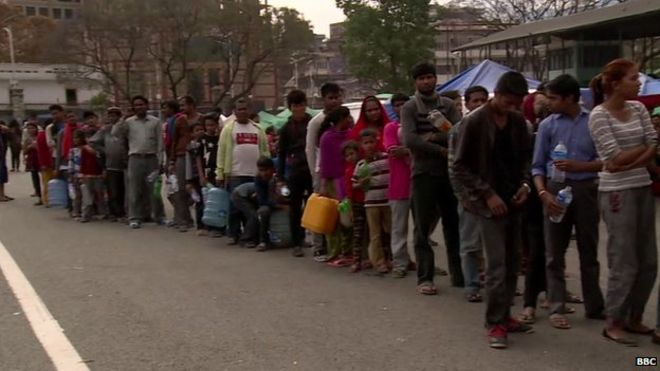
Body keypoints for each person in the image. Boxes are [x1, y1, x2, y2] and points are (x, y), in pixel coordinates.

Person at [452, 71, 534, 349]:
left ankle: (506, 314)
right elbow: (459, 165)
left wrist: (525, 185)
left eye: (517, 103)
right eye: (509, 102)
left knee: (513, 263)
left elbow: (526, 159)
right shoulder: (474, 122)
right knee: (497, 266)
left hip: (514, 200)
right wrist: (487, 194)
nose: (513, 108)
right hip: (489, 204)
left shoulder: (519, 122)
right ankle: (495, 322)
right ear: (496, 95)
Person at [588, 59, 657, 346]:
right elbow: (613, 159)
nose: (638, 82)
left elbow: (653, 145)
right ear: (615, 83)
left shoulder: (639, 108)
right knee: (624, 260)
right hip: (617, 193)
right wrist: (640, 152)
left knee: (649, 261)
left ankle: (634, 316)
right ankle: (614, 320)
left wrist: (631, 158)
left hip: (642, 187)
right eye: (632, 78)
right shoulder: (599, 115)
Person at [531, 74, 605, 330]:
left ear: (570, 98)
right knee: (554, 251)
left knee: (589, 249)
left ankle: (595, 306)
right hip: (555, 189)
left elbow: (606, 161)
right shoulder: (548, 126)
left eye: (553, 98)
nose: (548, 102)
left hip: (586, 189)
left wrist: (580, 166)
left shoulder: (594, 122)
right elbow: (537, 166)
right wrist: (543, 194)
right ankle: (556, 306)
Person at [401, 62, 463, 295]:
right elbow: (411, 140)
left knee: (453, 226)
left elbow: (459, 133)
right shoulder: (409, 107)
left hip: (449, 175)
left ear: (436, 79)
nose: (426, 81)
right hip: (423, 174)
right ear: (415, 82)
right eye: (422, 78)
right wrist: (442, 147)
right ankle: (425, 278)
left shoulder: (447, 104)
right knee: (422, 229)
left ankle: (459, 275)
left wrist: (433, 136)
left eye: (430, 77)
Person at [448, 86, 489, 302]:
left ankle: (496, 284)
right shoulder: (458, 130)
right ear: (467, 103)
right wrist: (462, 196)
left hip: (493, 196)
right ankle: (472, 285)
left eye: (484, 100)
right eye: (475, 101)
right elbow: (454, 167)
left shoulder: (496, 128)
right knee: (470, 244)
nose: (480, 104)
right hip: (469, 197)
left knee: (496, 246)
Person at [216, 98, 270, 245]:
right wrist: (220, 173)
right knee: (235, 207)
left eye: (245, 108)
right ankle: (233, 234)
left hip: (255, 175)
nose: (242, 111)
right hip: (235, 173)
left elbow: (265, 151)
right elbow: (221, 152)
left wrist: (267, 172)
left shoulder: (258, 129)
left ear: (250, 110)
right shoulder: (228, 129)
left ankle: (250, 236)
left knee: (252, 206)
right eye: (239, 109)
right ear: (234, 112)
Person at [112, 95, 164, 229]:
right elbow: (115, 133)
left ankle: (159, 216)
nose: (139, 107)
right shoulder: (128, 122)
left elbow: (160, 142)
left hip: (151, 158)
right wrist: (122, 118)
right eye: (136, 105)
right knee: (134, 189)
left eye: (142, 104)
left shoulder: (155, 121)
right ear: (133, 107)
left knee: (155, 190)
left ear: (147, 106)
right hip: (135, 158)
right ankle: (135, 217)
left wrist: (161, 161)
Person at [305, 83, 343, 261]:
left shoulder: (345, 119)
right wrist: (315, 175)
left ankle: (339, 247)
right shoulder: (316, 122)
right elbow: (310, 150)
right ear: (323, 99)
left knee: (340, 210)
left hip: (341, 171)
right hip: (322, 172)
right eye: (331, 98)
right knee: (321, 209)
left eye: (337, 97)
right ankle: (319, 246)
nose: (334, 101)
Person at [278, 90, 313, 257]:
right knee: (294, 207)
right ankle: (297, 242)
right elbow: (281, 153)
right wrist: (280, 178)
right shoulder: (285, 129)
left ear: (305, 105)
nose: (299, 108)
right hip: (294, 172)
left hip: (312, 170)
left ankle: (317, 239)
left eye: (301, 104)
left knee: (313, 205)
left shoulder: (312, 124)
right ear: (290, 108)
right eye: (295, 105)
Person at [383, 93, 413, 278]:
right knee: (399, 227)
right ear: (393, 108)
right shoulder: (391, 128)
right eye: (398, 105)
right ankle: (400, 263)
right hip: (399, 183)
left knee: (424, 227)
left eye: (405, 104)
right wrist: (415, 149)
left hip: (419, 181)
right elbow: (393, 151)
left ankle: (423, 262)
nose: (401, 108)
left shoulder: (418, 126)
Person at [353, 129, 391, 274]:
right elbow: (354, 184)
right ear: (361, 145)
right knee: (375, 234)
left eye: (371, 142)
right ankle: (379, 262)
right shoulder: (361, 165)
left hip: (387, 201)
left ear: (377, 141)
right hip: (371, 204)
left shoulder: (386, 158)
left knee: (389, 231)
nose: (369, 146)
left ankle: (390, 258)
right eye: (365, 143)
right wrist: (361, 183)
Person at [318, 106, 353, 263]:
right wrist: (324, 185)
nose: (350, 120)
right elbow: (325, 163)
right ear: (341, 119)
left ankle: (348, 251)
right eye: (348, 117)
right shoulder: (327, 138)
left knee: (348, 219)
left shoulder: (351, 135)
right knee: (333, 220)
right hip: (333, 185)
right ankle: (334, 251)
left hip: (349, 182)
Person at [168, 96, 202, 232]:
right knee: (181, 189)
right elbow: (174, 141)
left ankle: (204, 220)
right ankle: (184, 220)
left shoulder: (202, 119)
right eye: (180, 106)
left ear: (192, 105)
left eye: (184, 105)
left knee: (199, 188)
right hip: (182, 155)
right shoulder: (179, 121)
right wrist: (172, 160)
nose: (181, 108)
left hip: (198, 155)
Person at [90, 107, 128, 222]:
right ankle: (113, 213)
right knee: (113, 191)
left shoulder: (124, 128)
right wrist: (104, 150)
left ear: (119, 116)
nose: (112, 118)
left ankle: (122, 212)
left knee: (123, 190)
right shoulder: (105, 130)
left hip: (125, 164)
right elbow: (92, 142)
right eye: (110, 116)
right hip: (111, 165)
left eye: (115, 115)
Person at [68, 130, 106, 222]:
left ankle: (101, 213)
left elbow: (101, 162)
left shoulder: (99, 150)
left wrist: (103, 171)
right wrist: (79, 174)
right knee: (83, 196)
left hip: (97, 175)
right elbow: (81, 163)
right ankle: (82, 214)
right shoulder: (77, 150)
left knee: (99, 195)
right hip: (83, 175)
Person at [254, 156, 289, 252]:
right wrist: (278, 205)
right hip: (269, 204)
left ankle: (299, 239)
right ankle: (263, 241)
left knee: (297, 209)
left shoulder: (279, 178)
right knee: (264, 211)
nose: (264, 173)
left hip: (280, 201)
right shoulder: (258, 179)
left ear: (273, 169)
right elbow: (262, 200)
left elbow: (287, 193)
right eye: (261, 170)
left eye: (266, 170)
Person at [343, 141, 368, 272]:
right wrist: (351, 209)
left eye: (352, 153)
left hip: (369, 202)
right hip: (357, 204)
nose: (350, 157)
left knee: (370, 232)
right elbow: (349, 191)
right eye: (347, 155)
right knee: (357, 233)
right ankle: (356, 260)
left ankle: (368, 258)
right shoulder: (348, 171)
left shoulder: (364, 166)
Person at [185, 122, 207, 234]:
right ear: (192, 133)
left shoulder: (206, 143)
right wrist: (188, 180)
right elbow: (189, 164)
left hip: (207, 175)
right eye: (197, 130)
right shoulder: (191, 147)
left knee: (208, 201)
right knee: (199, 201)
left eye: (201, 129)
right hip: (196, 177)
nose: (200, 131)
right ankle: (200, 225)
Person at [22, 120, 42, 205]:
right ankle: (39, 197)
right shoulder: (27, 139)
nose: (30, 130)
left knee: (44, 178)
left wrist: (37, 146)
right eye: (29, 128)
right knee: (35, 179)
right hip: (32, 161)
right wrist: (30, 147)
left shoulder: (41, 137)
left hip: (41, 160)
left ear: (36, 129)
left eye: (32, 128)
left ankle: (47, 196)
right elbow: (24, 151)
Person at [36, 119, 54, 206]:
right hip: (47, 162)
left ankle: (47, 199)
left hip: (46, 162)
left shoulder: (41, 135)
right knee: (48, 181)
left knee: (47, 181)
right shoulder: (43, 136)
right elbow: (43, 151)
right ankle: (47, 200)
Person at [0, 122, 11, 201]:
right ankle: (1, 195)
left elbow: (6, 129)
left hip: (2, 156)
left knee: (3, 176)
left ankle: (2, 194)